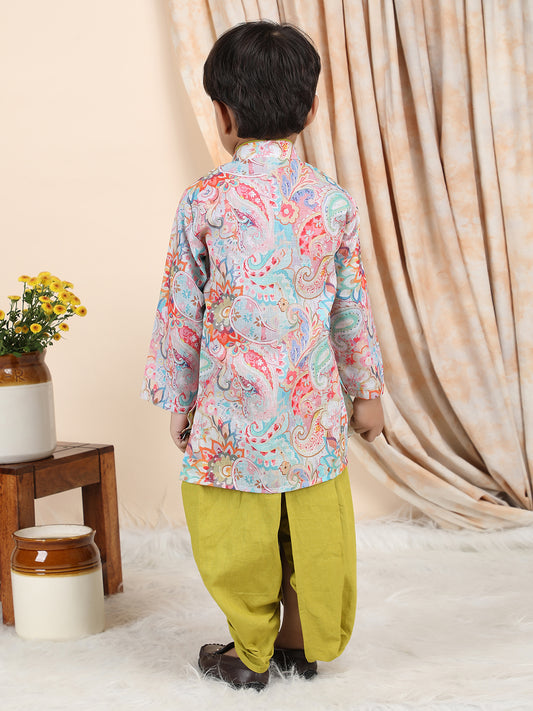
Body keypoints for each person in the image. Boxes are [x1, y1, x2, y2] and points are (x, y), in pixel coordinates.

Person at [141, 20, 384, 691]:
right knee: (312, 527)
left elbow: (181, 308)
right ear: (311, 109)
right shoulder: (330, 200)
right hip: (310, 411)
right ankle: (300, 644)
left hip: (232, 416)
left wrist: (179, 398)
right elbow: (350, 306)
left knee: (235, 531)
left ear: (223, 114)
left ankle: (249, 652)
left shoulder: (204, 200)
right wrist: (367, 392)